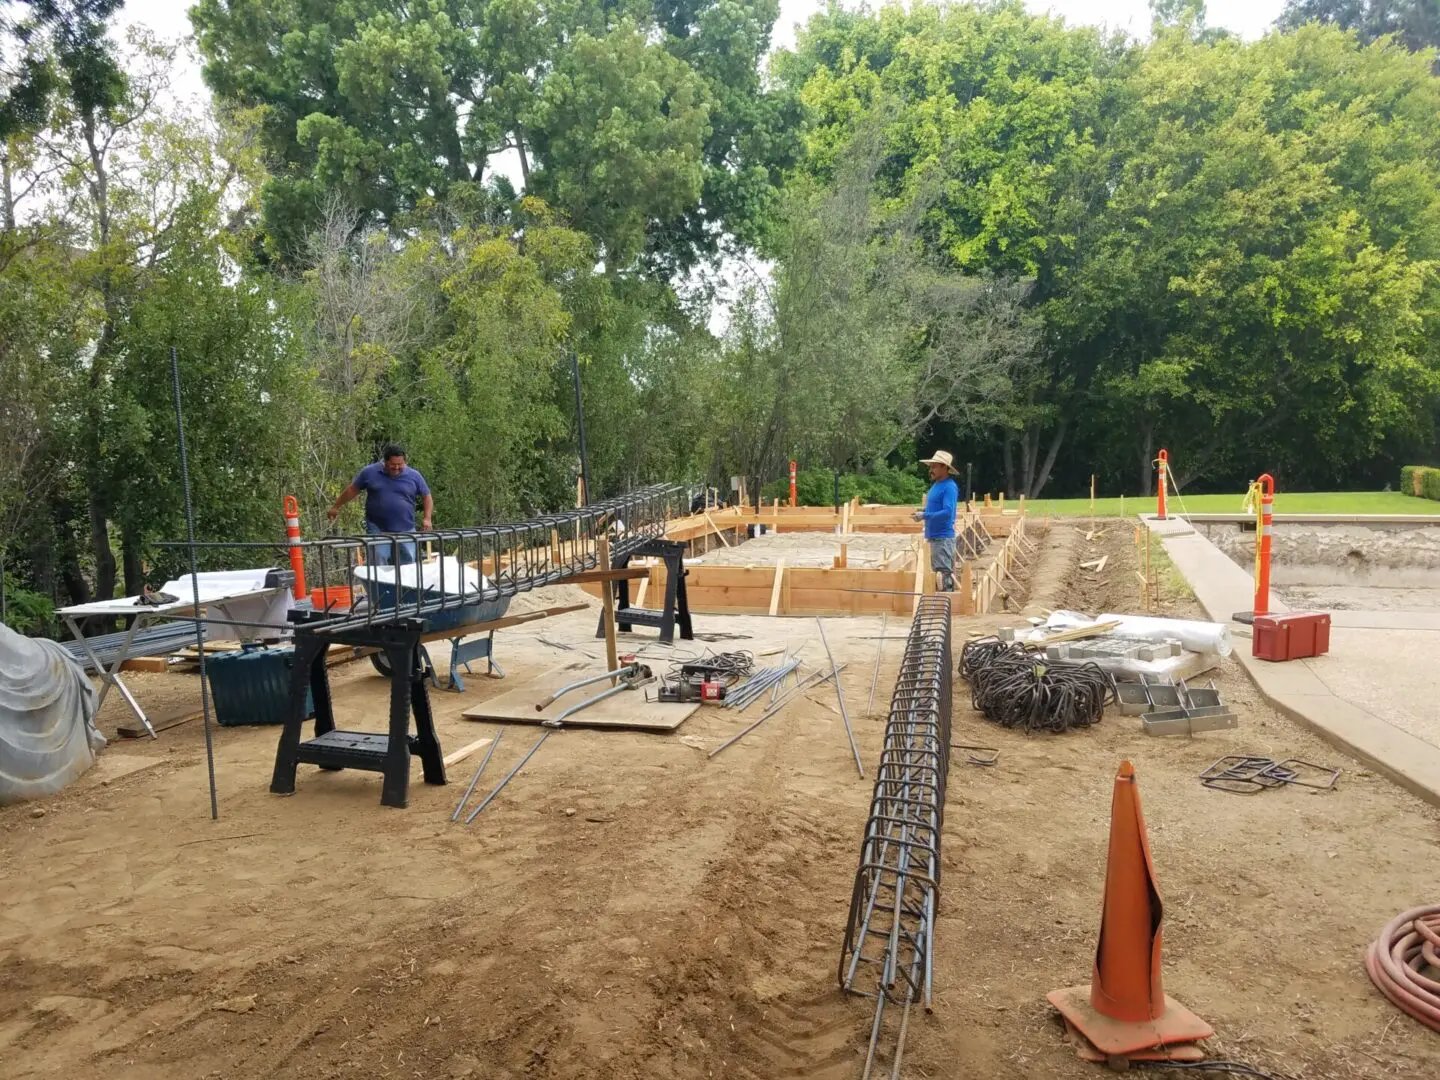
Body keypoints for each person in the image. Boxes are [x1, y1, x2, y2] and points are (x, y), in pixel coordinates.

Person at [327, 444, 433, 566]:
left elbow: (427, 496)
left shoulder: (414, 476)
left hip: (406, 528)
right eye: (393, 465)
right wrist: (336, 506)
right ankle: (379, 585)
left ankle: (403, 585)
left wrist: (427, 518)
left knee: (408, 561)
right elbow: (352, 490)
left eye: (401, 465)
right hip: (378, 528)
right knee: (379, 559)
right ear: (385, 462)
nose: (397, 468)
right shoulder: (370, 472)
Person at [914, 450, 960, 592]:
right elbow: (936, 507)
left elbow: (947, 512)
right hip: (934, 537)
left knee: (943, 578)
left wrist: (924, 515)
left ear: (945, 468)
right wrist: (923, 511)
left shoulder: (949, 487)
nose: (931, 470)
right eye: (931, 466)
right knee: (936, 577)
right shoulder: (937, 485)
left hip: (942, 538)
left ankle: (945, 608)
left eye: (934, 467)